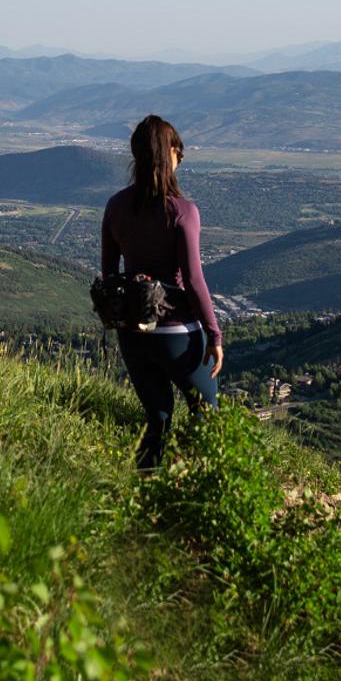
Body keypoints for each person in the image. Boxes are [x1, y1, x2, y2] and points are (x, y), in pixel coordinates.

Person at [100, 114, 222, 468]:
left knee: (158, 419)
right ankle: (201, 489)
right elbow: (195, 280)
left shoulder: (116, 206)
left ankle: (146, 495)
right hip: (177, 332)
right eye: (177, 151)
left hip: (134, 333)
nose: (180, 159)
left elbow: (109, 275)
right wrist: (214, 333)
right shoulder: (182, 212)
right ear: (168, 154)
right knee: (207, 412)